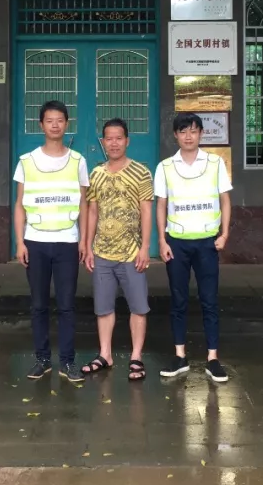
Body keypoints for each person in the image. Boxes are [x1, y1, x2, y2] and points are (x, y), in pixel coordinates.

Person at [13, 100, 89, 383]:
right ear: (41, 125)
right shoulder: (26, 161)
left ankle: (67, 361)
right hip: (35, 241)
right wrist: (20, 242)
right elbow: (19, 205)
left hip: (67, 241)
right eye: (49, 120)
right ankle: (42, 359)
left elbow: (84, 204)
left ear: (67, 124)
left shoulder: (78, 161)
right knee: (39, 304)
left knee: (67, 305)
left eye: (60, 120)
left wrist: (83, 240)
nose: (55, 125)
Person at [155, 112, 232, 383]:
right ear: (175, 135)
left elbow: (225, 199)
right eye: (183, 131)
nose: (188, 136)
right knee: (178, 300)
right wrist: (162, 240)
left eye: (193, 130)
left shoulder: (215, 163)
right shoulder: (165, 167)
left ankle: (212, 359)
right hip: (177, 243)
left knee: (209, 300)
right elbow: (161, 205)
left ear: (201, 133)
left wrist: (225, 234)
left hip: (207, 243)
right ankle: (180, 356)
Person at [80, 118, 154, 382]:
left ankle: (136, 356)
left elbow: (147, 211)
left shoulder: (141, 172)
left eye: (118, 138)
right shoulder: (96, 174)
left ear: (127, 141)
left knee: (138, 307)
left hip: (132, 253)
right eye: (109, 138)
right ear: (103, 142)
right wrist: (88, 246)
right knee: (103, 307)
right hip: (102, 252)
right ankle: (105, 354)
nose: (113, 143)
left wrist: (145, 247)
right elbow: (92, 212)